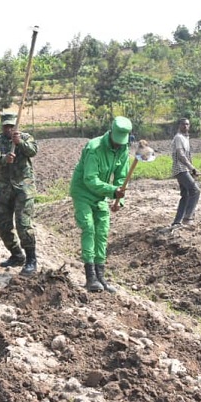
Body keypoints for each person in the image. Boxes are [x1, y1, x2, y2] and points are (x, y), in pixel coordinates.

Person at [69, 116, 133, 294]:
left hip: (101, 196)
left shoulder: (123, 149)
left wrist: (119, 198)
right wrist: (113, 191)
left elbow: (122, 177)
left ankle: (100, 275)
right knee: (88, 227)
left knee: (102, 231)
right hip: (83, 192)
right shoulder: (94, 148)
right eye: (116, 141)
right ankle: (90, 277)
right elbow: (90, 179)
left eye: (121, 142)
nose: (118, 145)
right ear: (110, 132)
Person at [0, 112, 39, 276]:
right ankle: (17, 254)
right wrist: (4, 159)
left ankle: (31, 259)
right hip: (4, 188)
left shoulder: (26, 137)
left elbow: (33, 151)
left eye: (12, 126)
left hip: (24, 187)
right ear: (2, 126)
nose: (9, 129)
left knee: (23, 224)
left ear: (16, 125)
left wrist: (20, 143)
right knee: (3, 225)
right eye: (6, 126)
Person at [171, 118, 200, 227]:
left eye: (187, 124)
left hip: (184, 169)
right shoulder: (178, 137)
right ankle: (188, 218)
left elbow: (188, 156)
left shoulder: (185, 138)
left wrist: (192, 170)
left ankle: (177, 221)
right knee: (195, 191)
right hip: (180, 169)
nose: (185, 126)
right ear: (179, 125)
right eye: (183, 124)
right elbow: (181, 155)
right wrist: (191, 167)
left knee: (186, 195)